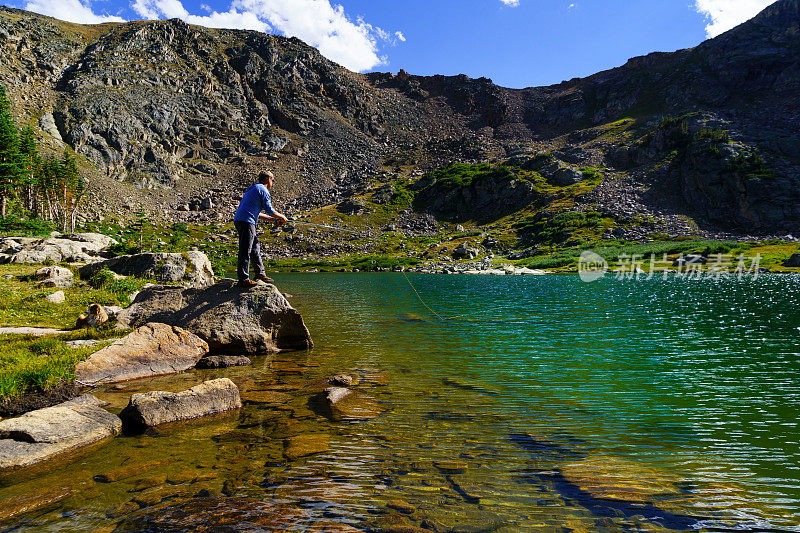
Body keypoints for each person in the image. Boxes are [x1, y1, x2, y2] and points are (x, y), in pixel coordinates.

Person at [233, 170, 288, 287]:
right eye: (272, 180)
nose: (272, 183)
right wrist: (282, 217)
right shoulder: (263, 190)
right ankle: (243, 279)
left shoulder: (253, 189)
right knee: (246, 249)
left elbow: (257, 214)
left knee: (254, 246)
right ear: (269, 179)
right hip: (246, 221)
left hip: (243, 220)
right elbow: (269, 210)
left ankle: (259, 273)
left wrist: (274, 220)